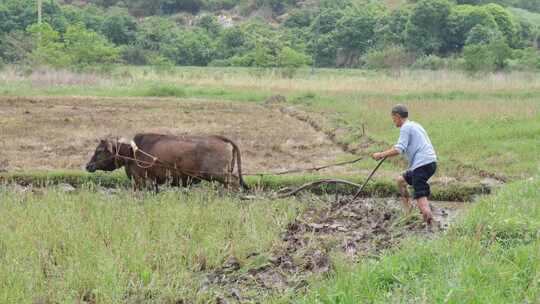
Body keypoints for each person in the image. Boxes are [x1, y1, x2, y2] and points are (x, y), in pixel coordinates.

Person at [372, 104, 437, 225]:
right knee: (401, 180)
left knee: (419, 193)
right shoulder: (415, 125)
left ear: (397, 116)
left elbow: (399, 149)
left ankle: (431, 223)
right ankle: (408, 212)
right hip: (430, 162)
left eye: (393, 118)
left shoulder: (405, 127)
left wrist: (381, 154)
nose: (393, 121)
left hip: (422, 164)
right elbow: (401, 146)